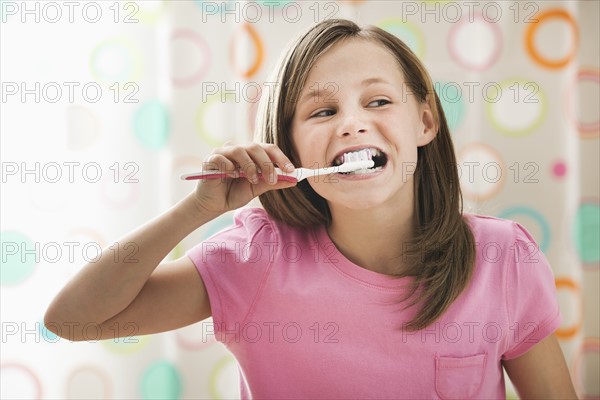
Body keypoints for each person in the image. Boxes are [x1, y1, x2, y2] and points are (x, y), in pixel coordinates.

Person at [45, 19, 577, 399]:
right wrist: (196, 209)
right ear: (292, 150)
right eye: (323, 110)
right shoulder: (255, 260)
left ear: (425, 123)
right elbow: (71, 320)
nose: (352, 123)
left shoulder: (502, 257)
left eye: (378, 101)